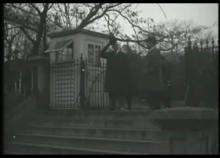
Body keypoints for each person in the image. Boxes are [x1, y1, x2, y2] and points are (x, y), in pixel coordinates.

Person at [99, 34, 134, 110]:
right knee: (112, 93)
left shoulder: (123, 55)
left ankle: (121, 106)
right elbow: (101, 53)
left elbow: (127, 67)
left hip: (120, 78)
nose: (114, 47)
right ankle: (112, 107)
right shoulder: (110, 54)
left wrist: (125, 77)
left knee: (121, 93)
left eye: (115, 45)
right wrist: (108, 44)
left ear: (118, 47)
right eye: (113, 46)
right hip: (111, 77)